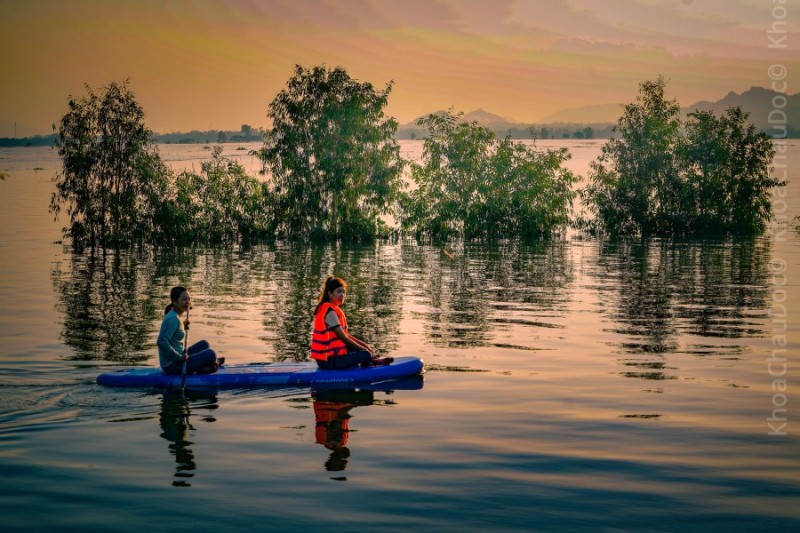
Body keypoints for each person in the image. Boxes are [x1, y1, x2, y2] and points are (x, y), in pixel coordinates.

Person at [310, 276, 393, 369]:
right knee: (364, 354)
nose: (342, 295)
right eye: (339, 292)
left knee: (362, 351)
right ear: (330, 293)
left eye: (343, 292)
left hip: (332, 356)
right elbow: (344, 338)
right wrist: (365, 351)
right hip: (327, 362)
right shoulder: (329, 312)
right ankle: (370, 360)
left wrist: (366, 346)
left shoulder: (332, 308)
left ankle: (369, 361)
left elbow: (346, 335)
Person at [158, 286, 224, 375]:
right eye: (184, 299)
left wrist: (183, 326)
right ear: (175, 301)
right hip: (173, 366)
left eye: (189, 299)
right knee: (211, 354)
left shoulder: (176, 316)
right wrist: (180, 357)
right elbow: (161, 342)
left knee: (204, 344)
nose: (188, 302)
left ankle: (209, 365)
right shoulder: (173, 318)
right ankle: (210, 365)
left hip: (179, 357)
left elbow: (174, 336)